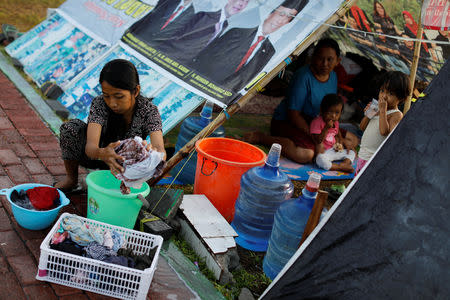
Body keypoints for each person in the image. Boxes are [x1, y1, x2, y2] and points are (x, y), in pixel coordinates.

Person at [54, 59, 166, 192]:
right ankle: (71, 180)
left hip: (126, 164)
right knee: (70, 128)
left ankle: (126, 184)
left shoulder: (149, 111)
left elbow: (160, 149)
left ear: (135, 91)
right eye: (107, 95)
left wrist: (153, 154)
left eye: (119, 96)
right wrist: (103, 153)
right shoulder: (100, 104)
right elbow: (91, 147)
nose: (112, 103)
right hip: (97, 156)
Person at [245, 38, 359, 164]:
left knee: (353, 140)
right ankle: (263, 138)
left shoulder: (333, 76)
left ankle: (325, 146)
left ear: (338, 61)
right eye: (321, 58)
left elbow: (331, 109)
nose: (325, 64)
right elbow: (293, 114)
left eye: (330, 59)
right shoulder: (303, 76)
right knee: (306, 154)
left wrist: (338, 137)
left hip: (319, 123)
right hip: (289, 122)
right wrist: (315, 138)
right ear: (313, 57)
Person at [192, 0, 308, 90]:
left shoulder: (269, 51)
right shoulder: (237, 30)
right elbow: (205, 60)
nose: (281, 21)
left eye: (289, 17)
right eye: (281, 14)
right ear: (271, 13)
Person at [148, 0, 251, 65]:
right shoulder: (204, 14)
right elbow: (172, 35)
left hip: (179, 67)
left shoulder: (224, 25)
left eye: (247, 1)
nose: (241, 4)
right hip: (162, 59)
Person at [356, 71, 410, 173]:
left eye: (390, 93)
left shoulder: (396, 114)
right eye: (382, 91)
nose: (384, 96)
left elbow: (384, 132)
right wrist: (368, 114)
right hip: (363, 155)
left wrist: (382, 111)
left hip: (373, 159)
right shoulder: (376, 108)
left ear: (401, 98)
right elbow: (362, 127)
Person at [311, 94, 356, 173]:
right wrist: (326, 128)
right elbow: (318, 140)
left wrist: (341, 141)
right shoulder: (317, 122)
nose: (333, 116)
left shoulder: (336, 122)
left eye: (337, 113)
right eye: (330, 112)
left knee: (351, 152)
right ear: (322, 111)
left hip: (334, 150)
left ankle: (345, 164)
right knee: (320, 160)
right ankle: (339, 167)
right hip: (324, 152)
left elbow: (337, 131)